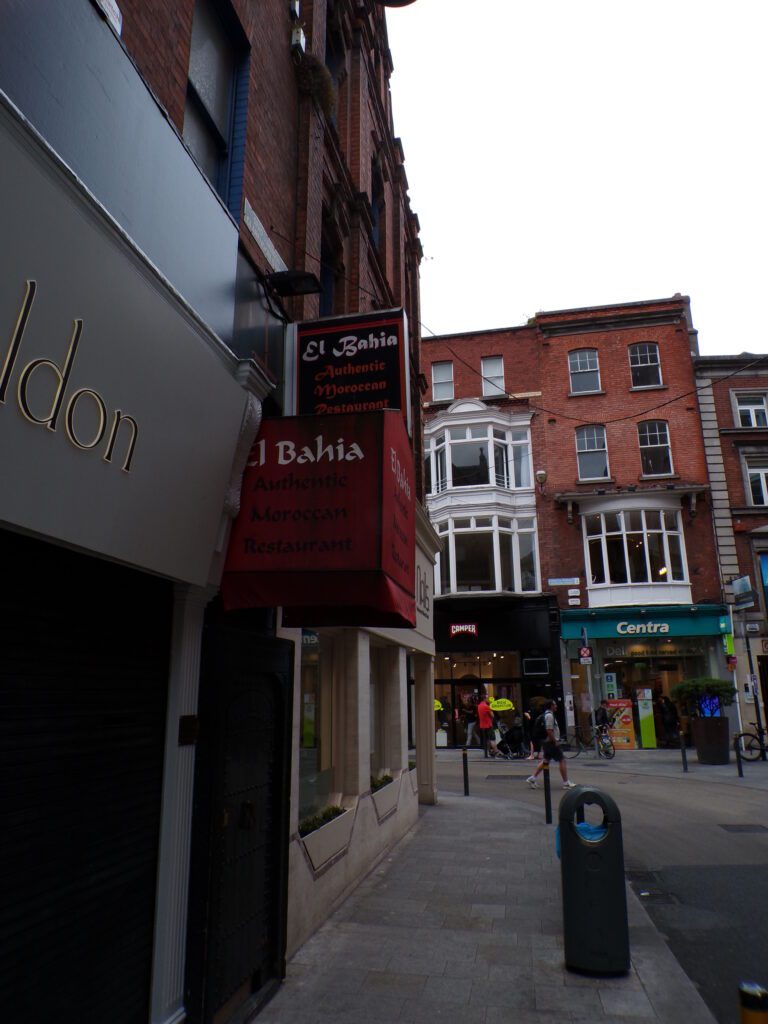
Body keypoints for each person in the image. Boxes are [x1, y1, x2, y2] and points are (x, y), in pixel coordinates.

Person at [526, 700, 576, 790]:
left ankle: (532, 778)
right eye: (555, 704)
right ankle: (566, 782)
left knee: (546, 760)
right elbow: (549, 730)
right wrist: (554, 741)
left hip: (547, 742)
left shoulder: (547, 714)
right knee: (562, 760)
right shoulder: (549, 715)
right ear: (551, 706)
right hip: (550, 742)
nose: (556, 706)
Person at [476, 692, 498, 757]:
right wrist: (491, 709)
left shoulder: (479, 706)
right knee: (492, 739)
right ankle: (496, 752)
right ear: (485, 699)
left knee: (487, 739)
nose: (487, 699)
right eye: (487, 698)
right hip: (488, 725)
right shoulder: (486, 706)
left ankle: (488, 752)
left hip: (482, 725)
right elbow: (492, 715)